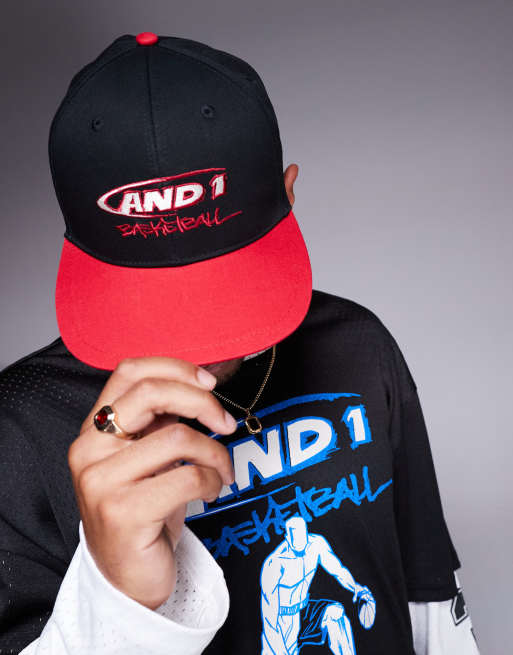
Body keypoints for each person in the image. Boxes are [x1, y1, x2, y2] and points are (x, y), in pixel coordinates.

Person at [0, 32, 480, 655]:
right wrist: (119, 603)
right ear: (78, 248)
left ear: (289, 194)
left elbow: (432, 604)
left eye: (219, 288)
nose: (192, 338)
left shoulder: (359, 348)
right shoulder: (18, 429)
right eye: (148, 294)